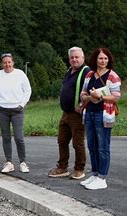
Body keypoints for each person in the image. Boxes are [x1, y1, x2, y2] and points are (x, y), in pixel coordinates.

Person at [79, 48, 121, 190]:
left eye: (105, 59)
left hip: (103, 114)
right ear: (95, 60)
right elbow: (83, 94)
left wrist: (100, 96)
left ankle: (102, 177)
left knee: (103, 146)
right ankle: (95, 173)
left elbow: (116, 96)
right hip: (90, 112)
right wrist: (90, 97)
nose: (103, 61)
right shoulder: (89, 75)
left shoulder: (112, 76)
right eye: (100, 59)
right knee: (92, 145)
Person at [48, 47, 90, 179]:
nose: (74, 59)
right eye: (72, 57)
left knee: (77, 143)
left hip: (77, 115)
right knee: (62, 141)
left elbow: (91, 91)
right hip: (65, 113)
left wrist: (82, 105)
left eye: (77, 57)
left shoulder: (86, 72)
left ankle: (79, 169)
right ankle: (62, 167)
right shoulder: (69, 71)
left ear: (83, 58)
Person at [0, 53, 32, 173]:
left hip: (17, 110)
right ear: (2, 64)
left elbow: (27, 90)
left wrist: (22, 104)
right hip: (2, 110)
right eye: (4, 62)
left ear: (13, 62)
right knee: (6, 137)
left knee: (19, 137)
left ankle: (23, 162)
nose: (7, 64)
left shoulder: (20, 74)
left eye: (9, 62)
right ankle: (9, 162)